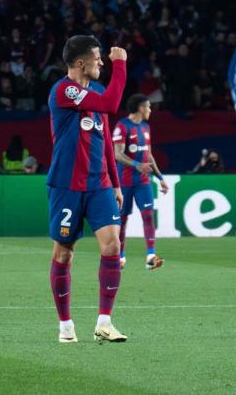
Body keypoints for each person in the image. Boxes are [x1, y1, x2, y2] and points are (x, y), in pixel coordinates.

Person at [46, 35, 128, 344]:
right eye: (98, 58)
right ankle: (66, 325)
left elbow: (106, 140)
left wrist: (116, 183)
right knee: (64, 254)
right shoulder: (65, 90)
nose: (103, 63)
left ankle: (104, 322)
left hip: (99, 184)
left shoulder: (94, 93)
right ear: (81, 63)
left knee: (112, 246)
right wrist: (121, 64)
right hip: (67, 186)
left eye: (106, 60)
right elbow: (112, 103)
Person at [112, 94, 168, 270]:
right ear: (140, 108)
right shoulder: (122, 126)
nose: (150, 110)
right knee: (122, 220)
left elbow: (149, 154)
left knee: (148, 216)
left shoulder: (146, 127)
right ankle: (120, 257)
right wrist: (137, 165)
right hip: (124, 182)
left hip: (143, 182)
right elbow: (117, 154)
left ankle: (151, 256)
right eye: (148, 107)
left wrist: (160, 178)